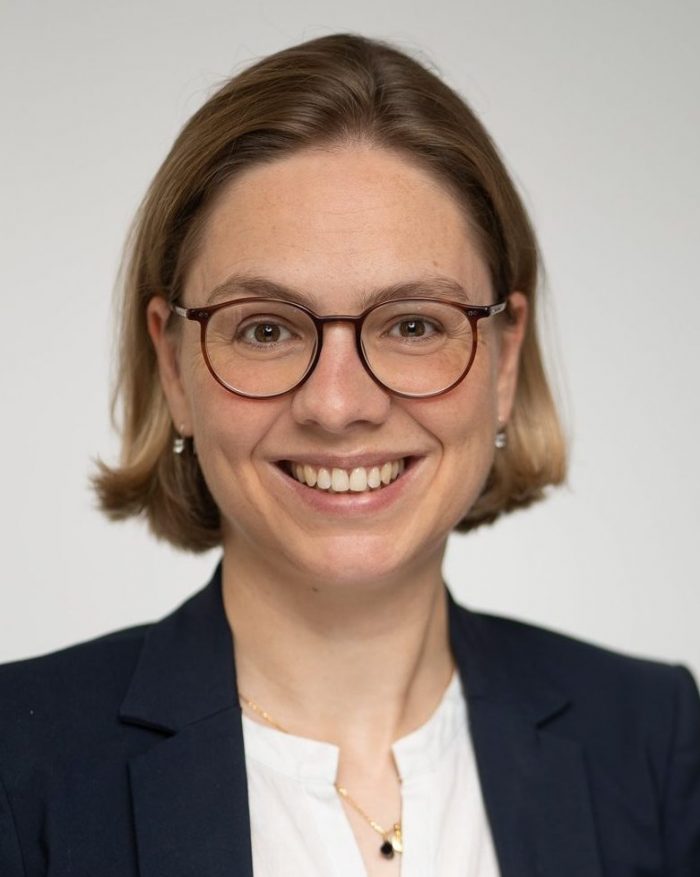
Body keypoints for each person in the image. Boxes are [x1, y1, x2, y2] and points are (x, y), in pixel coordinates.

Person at [1, 32, 698, 877]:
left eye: (414, 324)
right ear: (174, 366)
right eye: (266, 328)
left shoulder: (653, 738)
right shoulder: (21, 765)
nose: (337, 405)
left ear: (505, 359)